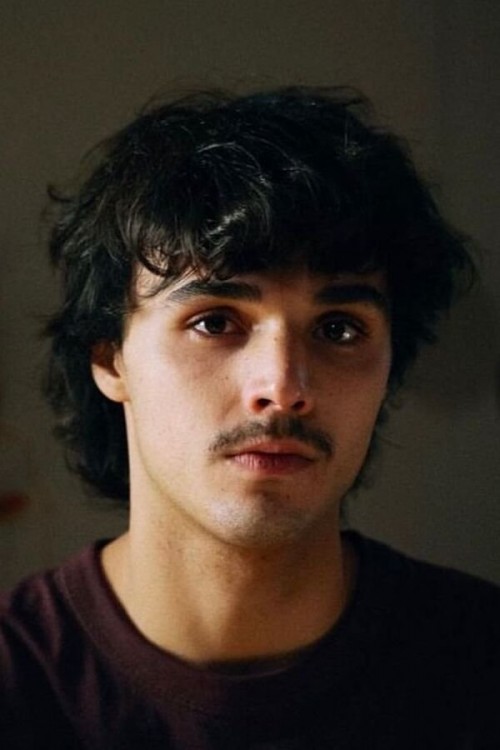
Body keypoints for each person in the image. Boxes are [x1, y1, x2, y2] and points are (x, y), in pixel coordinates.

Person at [1, 86, 498, 749]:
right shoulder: (18, 684)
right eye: (214, 322)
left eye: (339, 329)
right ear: (111, 359)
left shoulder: (479, 668)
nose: (283, 387)